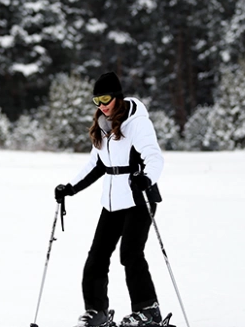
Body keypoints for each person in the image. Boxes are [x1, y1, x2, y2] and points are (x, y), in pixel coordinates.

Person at [54, 72, 165, 327]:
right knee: (97, 257)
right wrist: (70, 188)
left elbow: (154, 157)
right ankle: (97, 312)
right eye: (97, 100)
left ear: (117, 96)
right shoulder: (103, 126)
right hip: (112, 202)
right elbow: (97, 164)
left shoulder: (138, 123)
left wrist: (146, 178)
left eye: (105, 98)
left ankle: (148, 310)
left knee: (130, 254)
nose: (101, 105)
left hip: (139, 197)